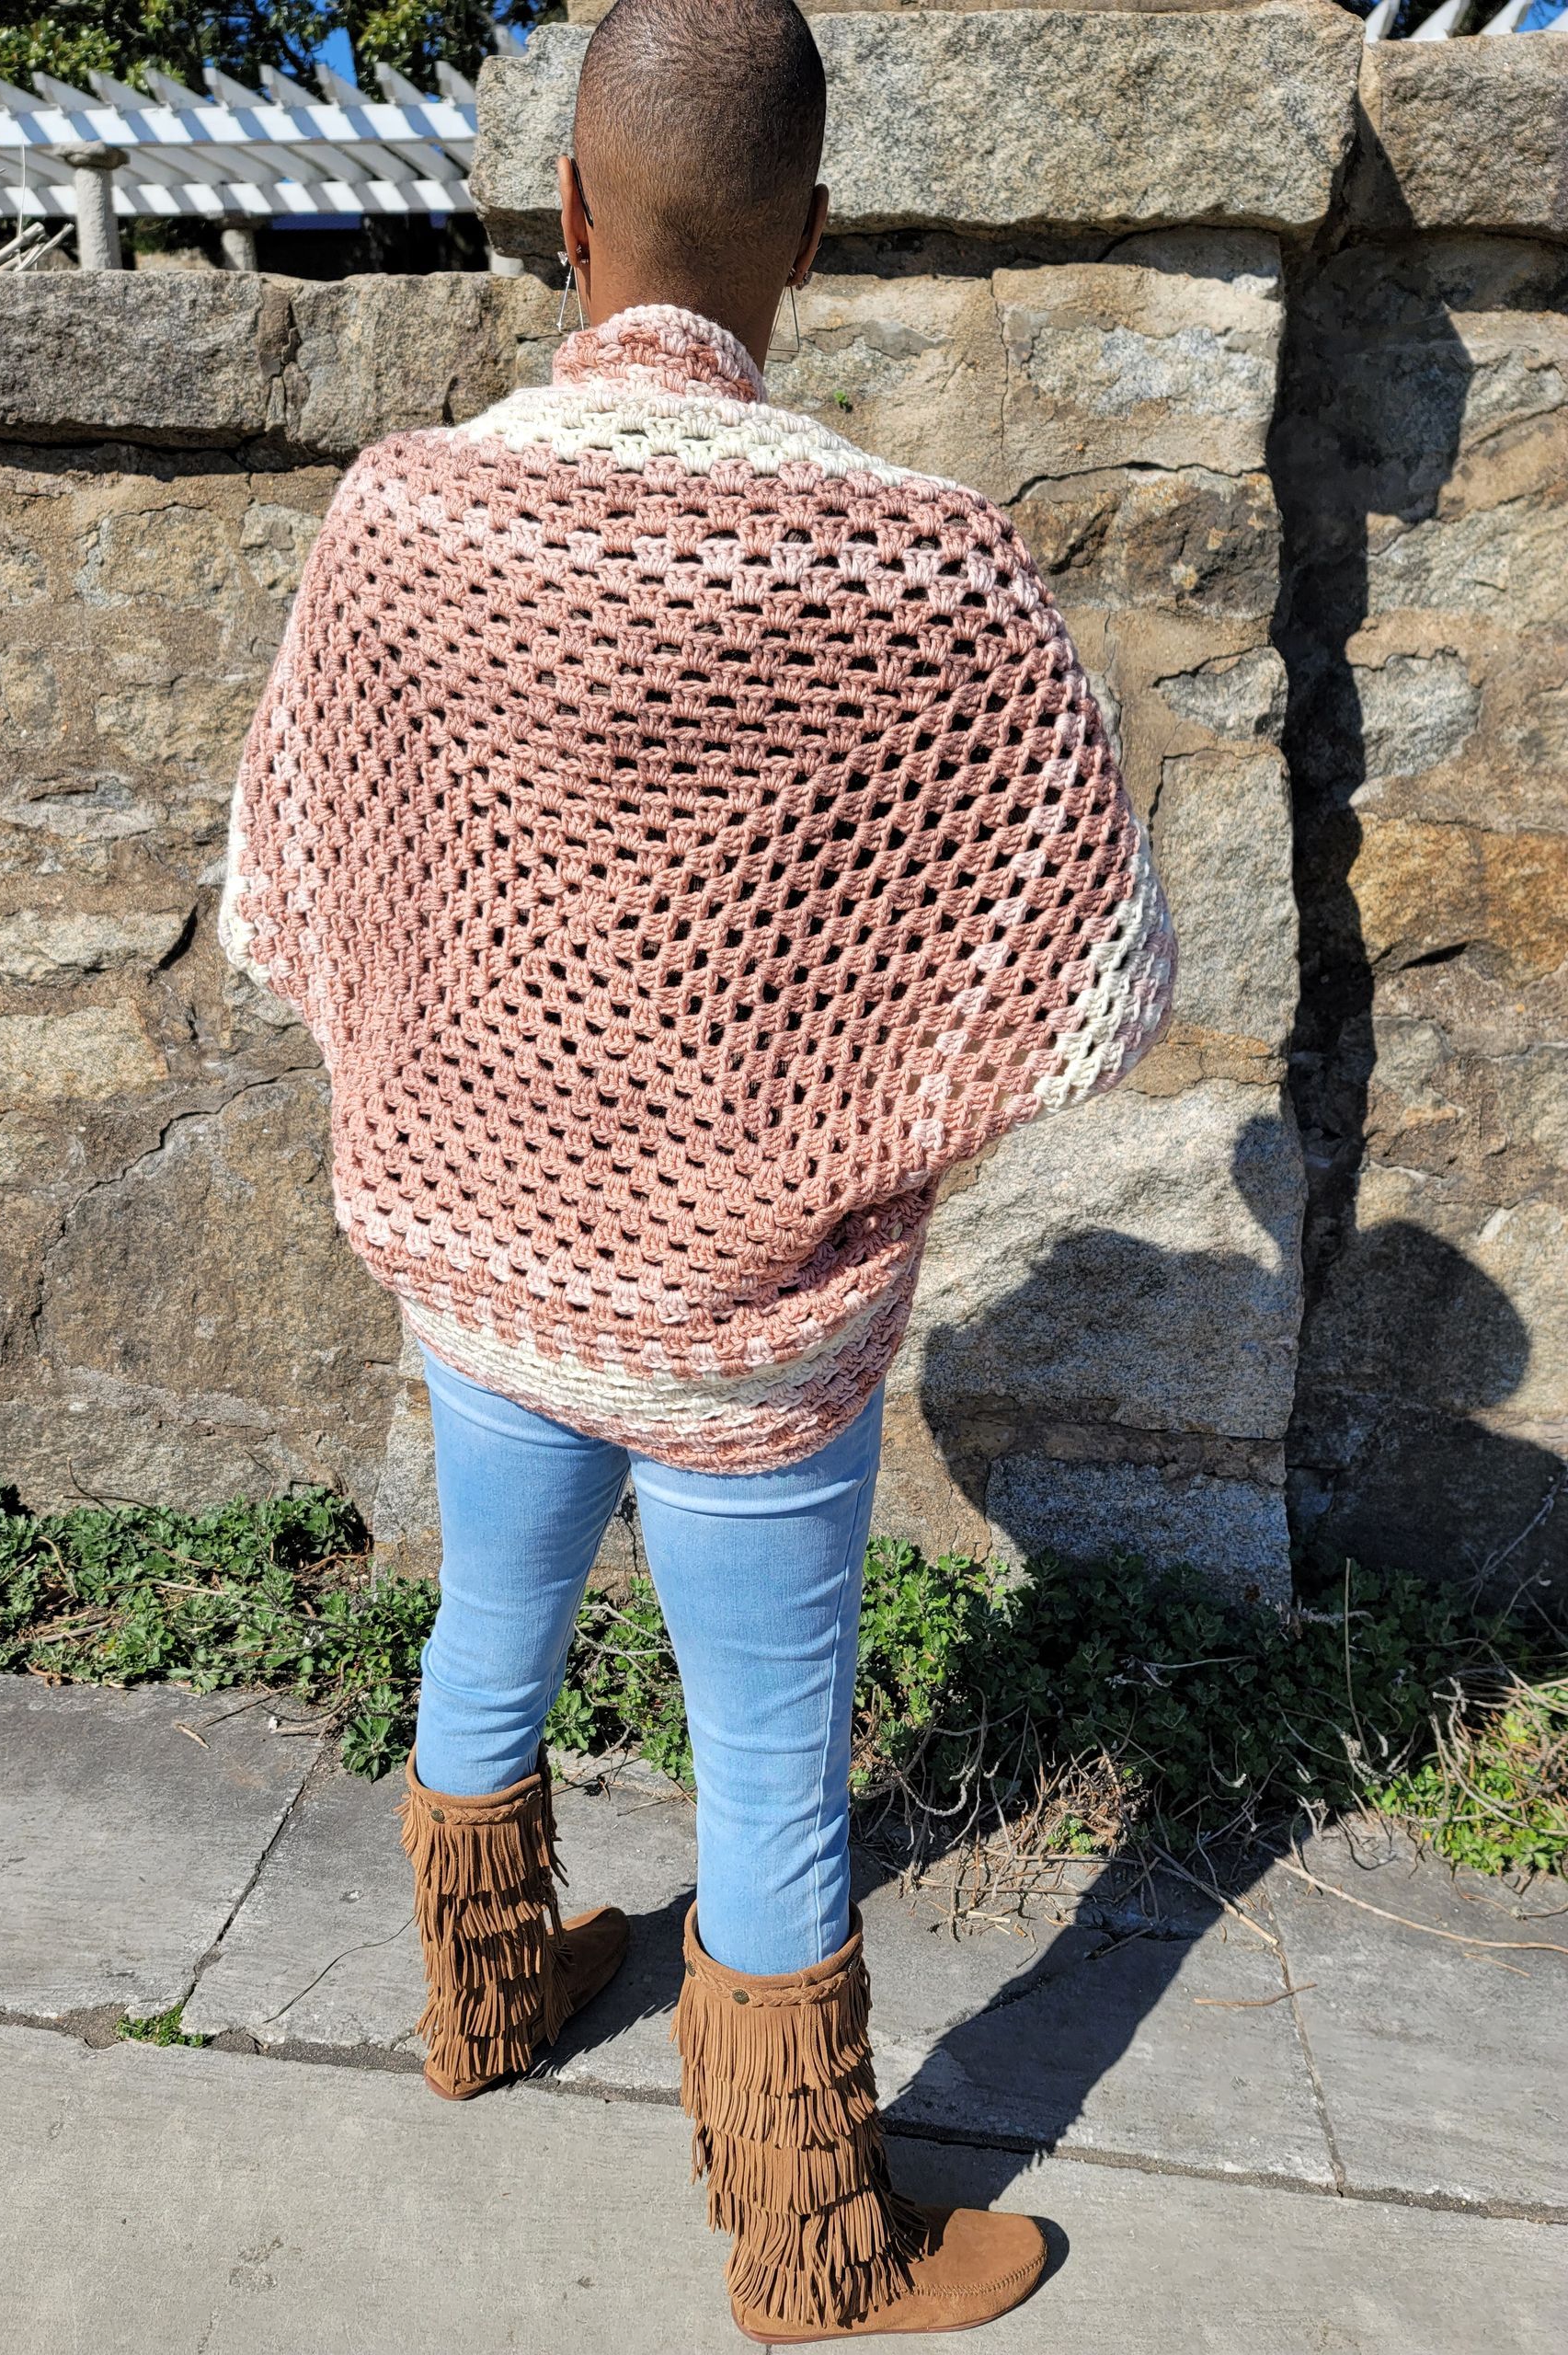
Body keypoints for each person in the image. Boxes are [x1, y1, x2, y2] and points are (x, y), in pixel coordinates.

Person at [222, 0, 1175, 2337]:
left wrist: (510, 1108)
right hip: (760, 1320)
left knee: (492, 1625)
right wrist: (828, 1128)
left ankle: (482, 2006)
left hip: (482, 1268)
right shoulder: (928, 574)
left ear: (563, 209)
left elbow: (291, 899)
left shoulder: (408, 516)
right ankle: (810, 2239)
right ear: (813, 244)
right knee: (771, 1762)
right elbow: (1095, 984)